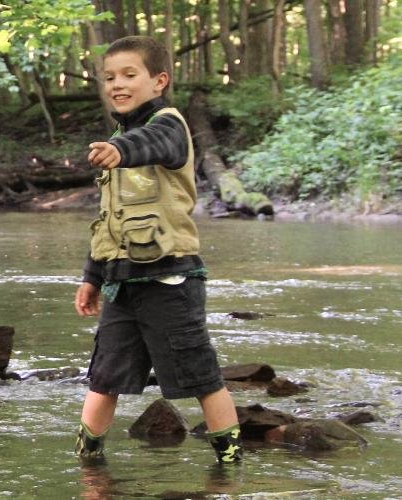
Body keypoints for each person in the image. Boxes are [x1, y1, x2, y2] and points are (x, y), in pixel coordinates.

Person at [72, 36, 241, 464]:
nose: (117, 84)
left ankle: (232, 463)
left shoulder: (169, 125)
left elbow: (155, 146)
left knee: (200, 375)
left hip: (172, 280)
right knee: (103, 376)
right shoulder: (117, 136)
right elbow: (109, 220)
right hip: (121, 286)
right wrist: (92, 277)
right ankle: (88, 465)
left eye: (130, 75)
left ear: (159, 80)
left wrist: (120, 150)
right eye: (110, 77)